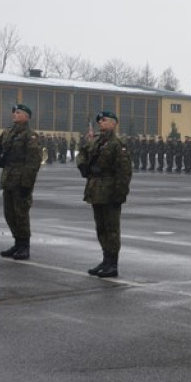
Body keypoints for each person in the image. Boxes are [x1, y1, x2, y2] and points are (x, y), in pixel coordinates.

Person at [77, 110, 133, 278]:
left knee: (111, 229)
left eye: (105, 120)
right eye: (100, 120)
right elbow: (82, 154)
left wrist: (119, 195)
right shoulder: (95, 141)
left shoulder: (118, 144)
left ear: (114, 123)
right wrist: (83, 166)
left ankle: (112, 264)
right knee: (101, 227)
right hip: (95, 189)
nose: (101, 122)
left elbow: (124, 173)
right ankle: (105, 259)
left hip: (110, 191)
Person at [0, 104, 43, 260]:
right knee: (9, 213)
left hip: (21, 179)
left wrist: (27, 184)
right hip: (8, 178)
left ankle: (24, 246)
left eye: (18, 112)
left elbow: (33, 162)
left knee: (21, 214)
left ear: (26, 116)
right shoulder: (7, 132)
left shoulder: (30, 135)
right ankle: (17, 242)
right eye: (13, 111)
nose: (14, 114)